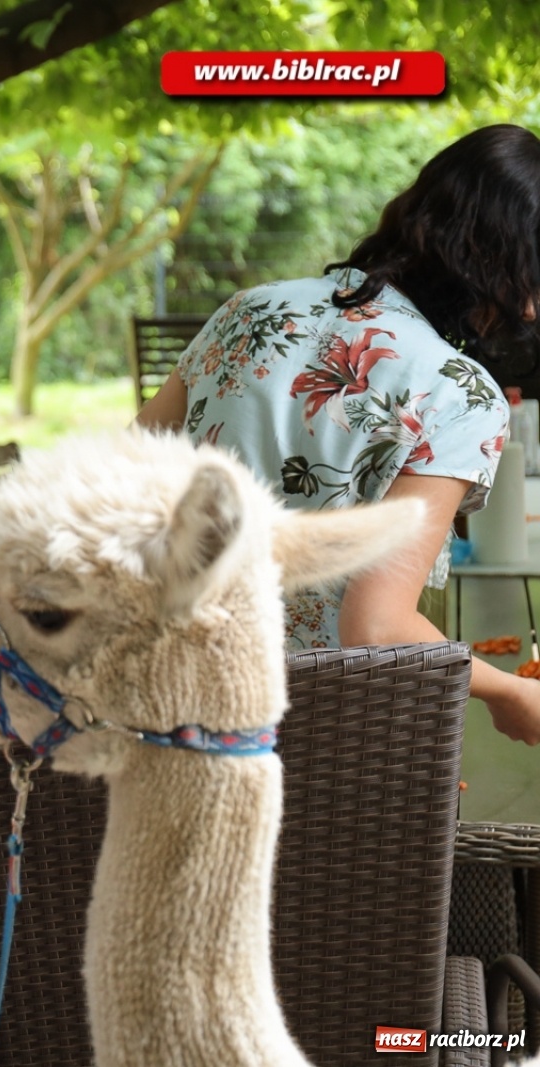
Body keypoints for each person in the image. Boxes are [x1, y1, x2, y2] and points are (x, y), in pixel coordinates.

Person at [137, 123, 540, 747]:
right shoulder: (460, 393)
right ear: (505, 266)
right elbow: (375, 629)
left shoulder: (250, 310)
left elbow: (120, 473)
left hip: (152, 697)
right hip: (313, 741)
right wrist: (511, 691)